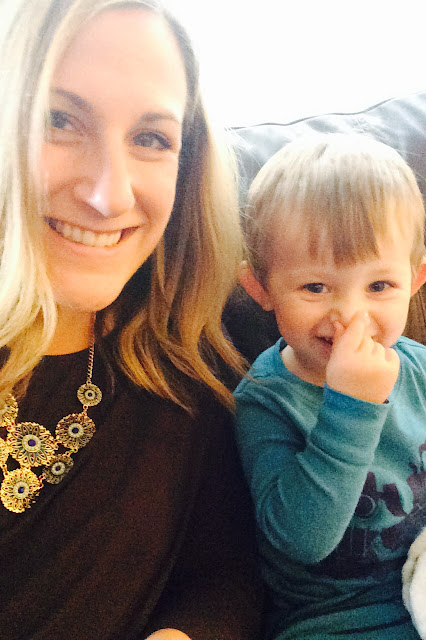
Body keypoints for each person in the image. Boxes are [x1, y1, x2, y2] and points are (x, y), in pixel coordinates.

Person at [0, 1, 262, 639]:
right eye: (59, 120)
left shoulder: (191, 364)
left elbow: (225, 581)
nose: (108, 195)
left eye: (151, 139)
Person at [234, 133, 426, 639]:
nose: (350, 316)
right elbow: (301, 540)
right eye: (315, 287)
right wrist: (352, 406)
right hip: (336, 619)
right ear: (261, 288)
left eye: (379, 286)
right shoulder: (265, 402)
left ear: (415, 280)